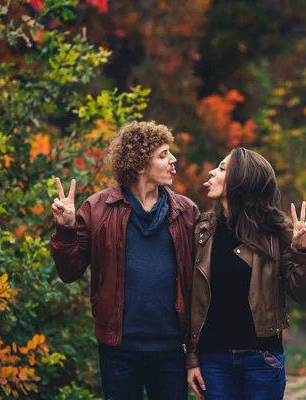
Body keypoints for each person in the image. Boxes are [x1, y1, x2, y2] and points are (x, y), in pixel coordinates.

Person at [50, 121, 199, 400]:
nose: (173, 160)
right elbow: (70, 272)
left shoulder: (186, 211)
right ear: (140, 164)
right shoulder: (96, 209)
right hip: (119, 348)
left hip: (171, 348)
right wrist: (66, 228)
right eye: (163, 154)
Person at [186, 147, 306, 400]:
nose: (212, 172)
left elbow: (301, 293)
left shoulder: (276, 232)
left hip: (262, 360)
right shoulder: (202, 231)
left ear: (242, 180)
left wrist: (301, 252)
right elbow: (190, 297)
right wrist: (192, 358)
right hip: (213, 361)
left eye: (222, 168)